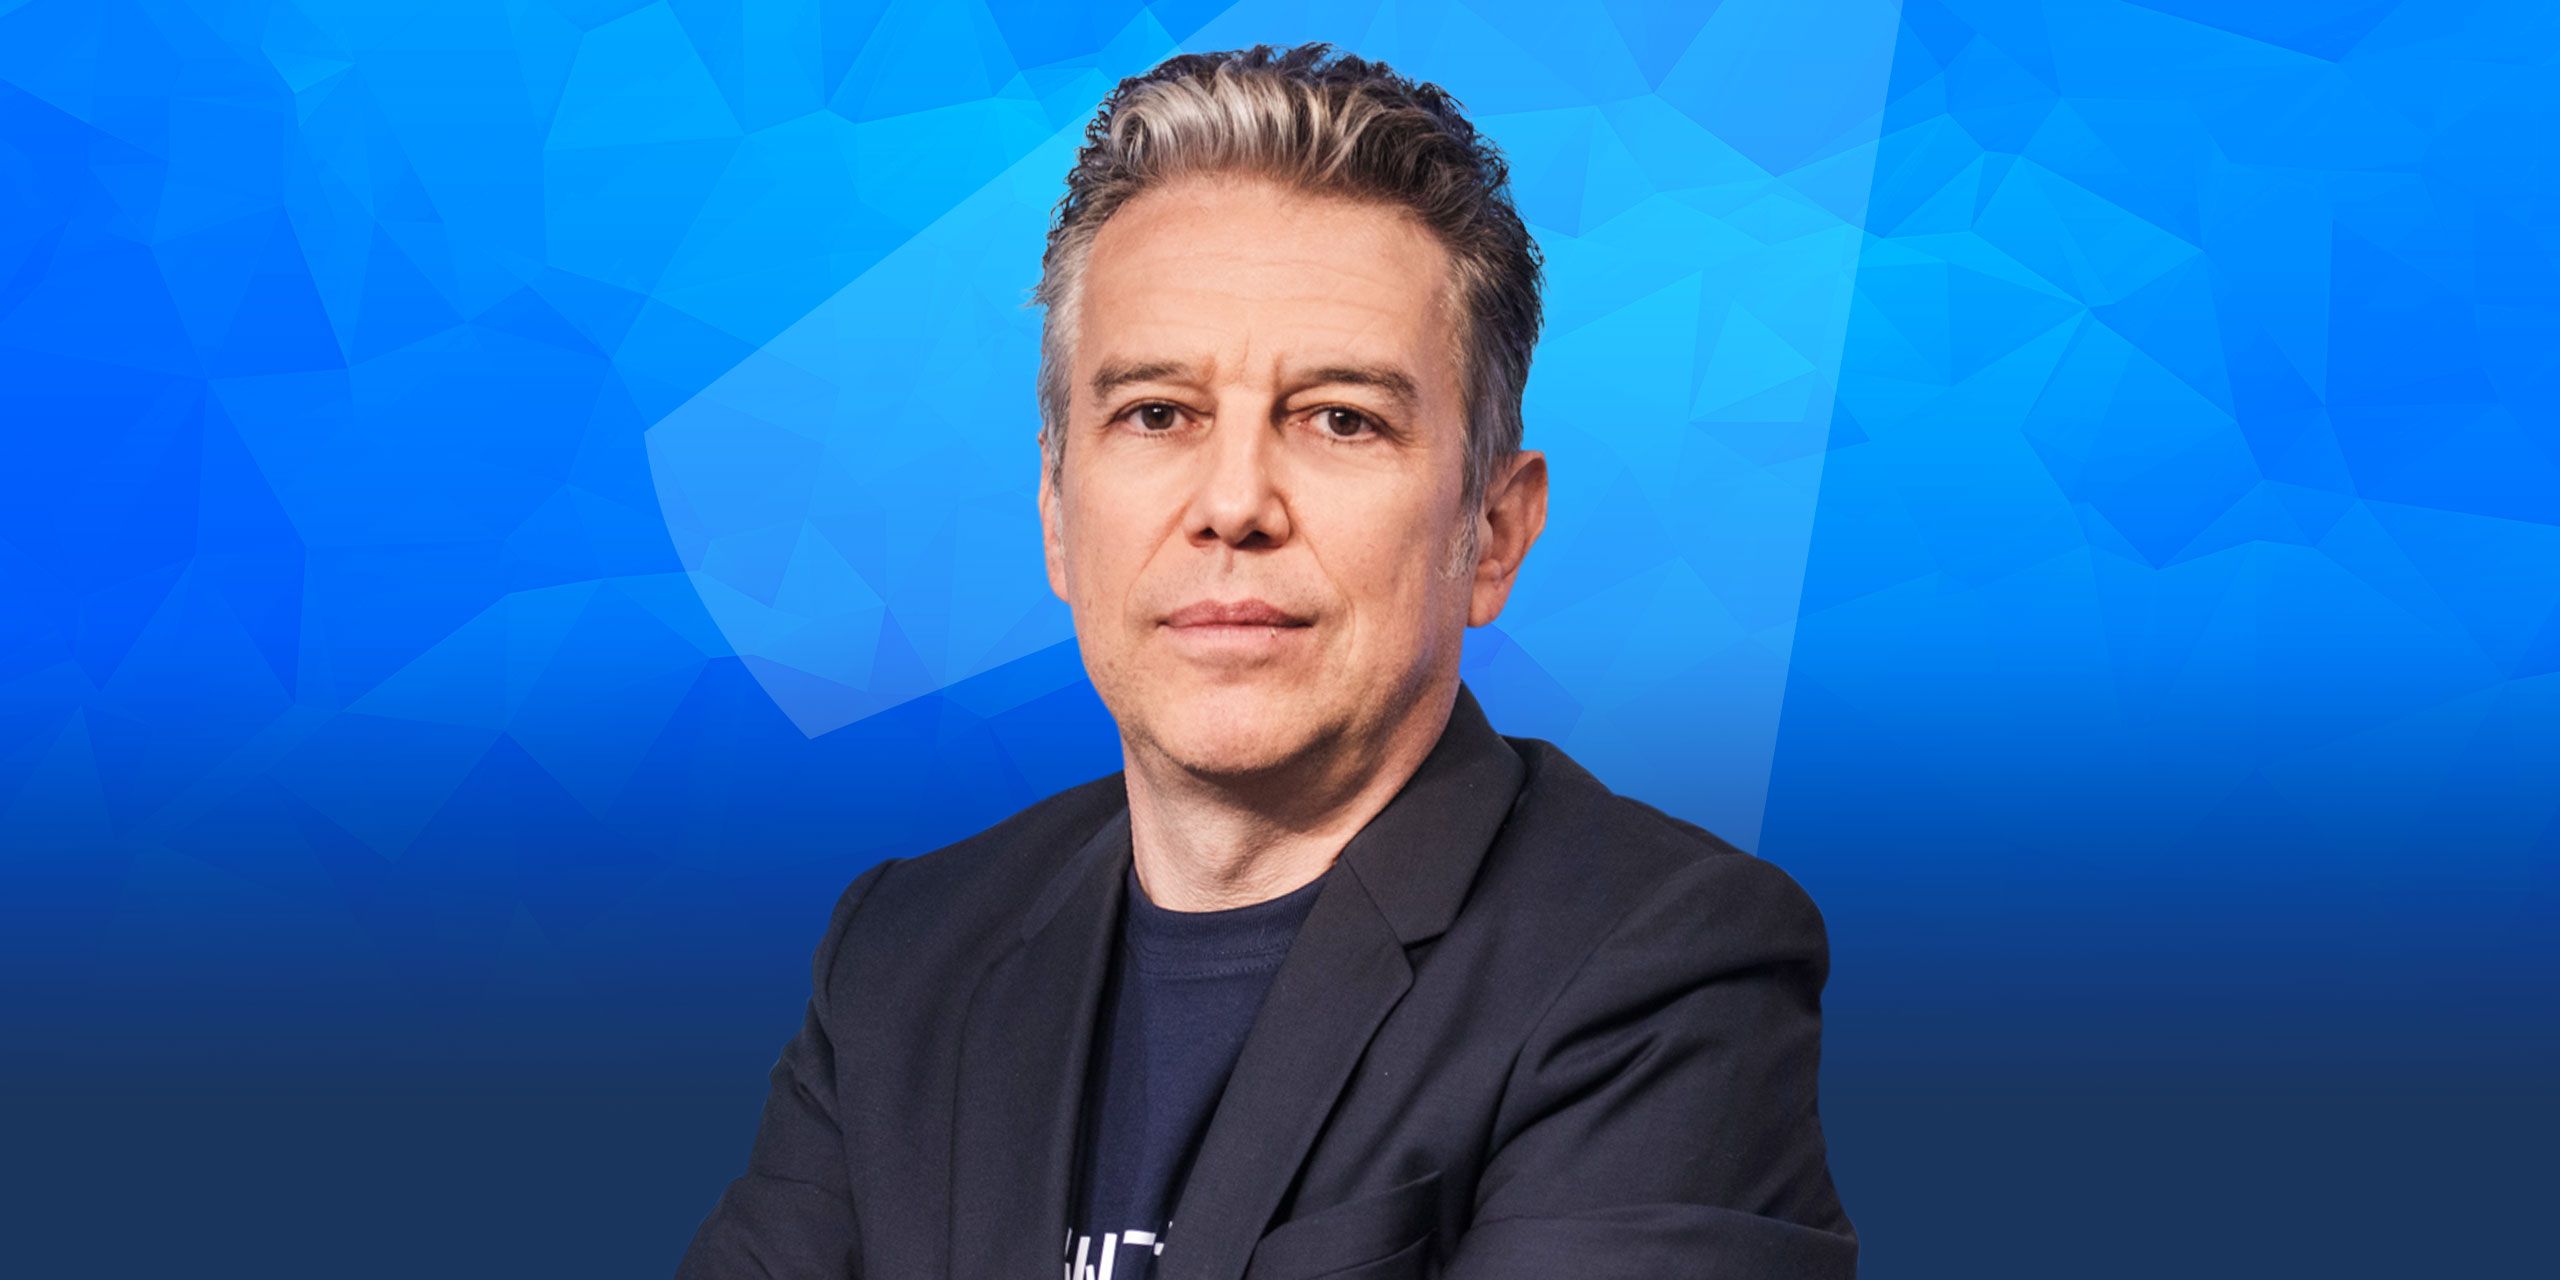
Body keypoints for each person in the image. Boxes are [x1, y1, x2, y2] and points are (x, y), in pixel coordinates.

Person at [679, 42, 1855, 1280]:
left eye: (1341, 417)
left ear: (1493, 532)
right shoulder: (903, 956)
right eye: (1156, 413)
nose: (1233, 502)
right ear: (1058, 514)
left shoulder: (1661, 970)